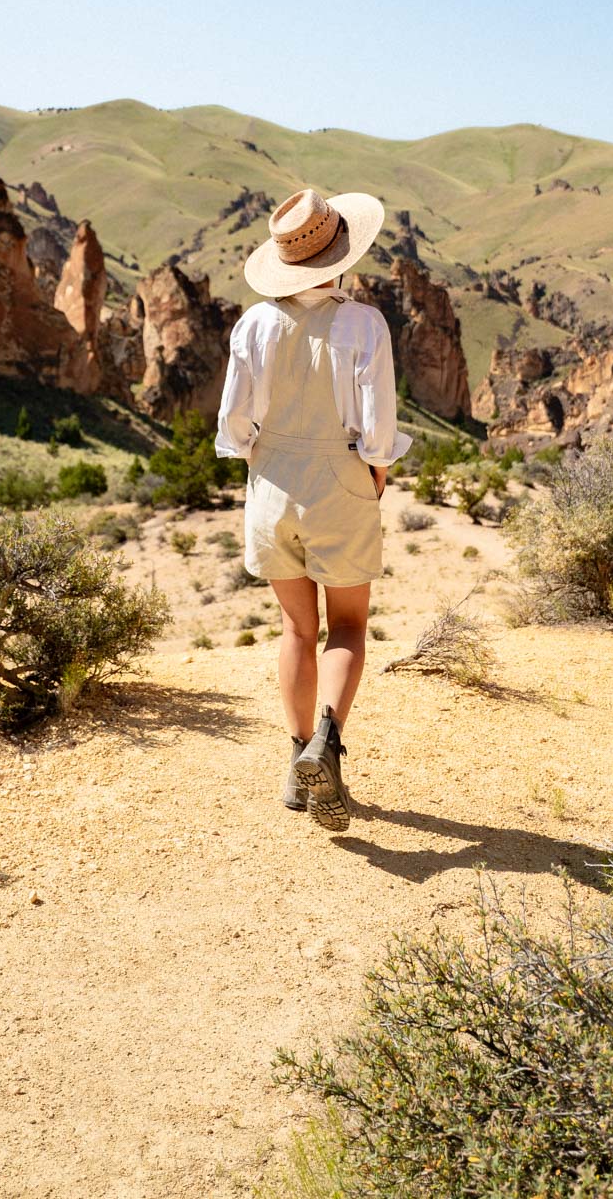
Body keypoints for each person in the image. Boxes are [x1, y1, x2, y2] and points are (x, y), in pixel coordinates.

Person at [215, 186, 411, 832]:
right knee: (347, 628)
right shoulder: (363, 323)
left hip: (271, 479)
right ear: (339, 255)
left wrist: (264, 465)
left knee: (295, 629)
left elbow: (233, 423)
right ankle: (329, 744)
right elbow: (379, 421)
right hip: (341, 476)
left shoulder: (254, 322)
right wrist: (375, 474)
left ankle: (296, 758)